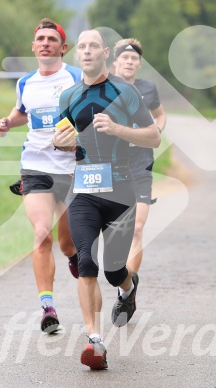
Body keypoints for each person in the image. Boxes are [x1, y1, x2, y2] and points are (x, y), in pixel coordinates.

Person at [53, 29, 160, 370]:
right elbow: (63, 137)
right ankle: (94, 341)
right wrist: (61, 142)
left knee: (114, 271)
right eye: (82, 46)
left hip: (121, 191)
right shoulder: (68, 95)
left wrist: (118, 130)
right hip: (83, 190)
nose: (87, 51)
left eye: (93, 46)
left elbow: (154, 136)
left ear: (104, 53)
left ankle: (127, 288)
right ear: (77, 54)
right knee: (86, 261)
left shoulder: (125, 91)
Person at [0, 18, 81, 334]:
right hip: (35, 168)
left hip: (72, 170)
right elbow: (22, 112)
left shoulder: (76, 78)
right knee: (42, 234)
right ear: (34, 47)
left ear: (63, 47)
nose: (45, 43)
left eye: (52, 39)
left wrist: (79, 137)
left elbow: (95, 113)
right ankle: (48, 307)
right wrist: (7, 121)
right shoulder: (25, 83)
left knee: (68, 243)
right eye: (40, 38)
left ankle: (72, 256)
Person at [112, 38, 167, 273]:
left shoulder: (148, 88)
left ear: (139, 64)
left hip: (141, 164)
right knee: (114, 230)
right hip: (111, 165)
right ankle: (116, 271)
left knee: (136, 229)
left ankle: (128, 289)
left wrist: (156, 131)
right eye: (125, 57)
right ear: (114, 61)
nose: (129, 61)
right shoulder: (103, 87)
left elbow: (161, 116)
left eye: (134, 58)